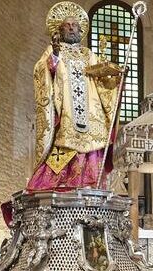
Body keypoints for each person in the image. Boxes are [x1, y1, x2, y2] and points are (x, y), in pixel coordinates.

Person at [27, 2, 122, 191]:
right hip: (67, 111)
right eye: (67, 25)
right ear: (59, 30)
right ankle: (63, 184)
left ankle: (89, 185)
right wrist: (53, 57)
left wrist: (115, 76)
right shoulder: (54, 50)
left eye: (75, 25)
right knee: (66, 144)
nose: (71, 28)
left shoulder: (88, 54)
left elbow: (101, 80)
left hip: (91, 111)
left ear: (80, 30)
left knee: (91, 147)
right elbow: (42, 71)